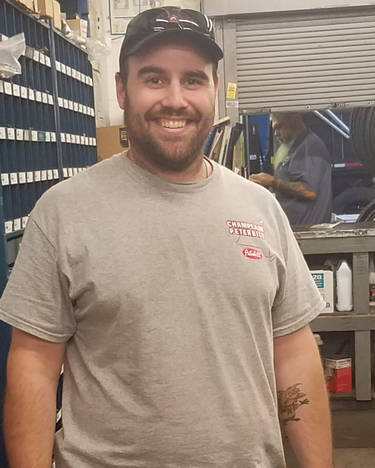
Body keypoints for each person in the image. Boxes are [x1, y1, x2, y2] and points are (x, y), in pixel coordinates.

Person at [0, 6, 332, 468]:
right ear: (122, 89)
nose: (175, 99)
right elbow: (33, 368)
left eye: (193, 80)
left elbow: (294, 352)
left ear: (214, 89)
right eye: (154, 79)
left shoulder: (260, 209)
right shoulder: (63, 213)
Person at [251, 112, 332, 225]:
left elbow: (309, 191)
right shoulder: (292, 147)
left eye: (279, 127)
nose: (276, 133)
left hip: (307, 230)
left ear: (293, 121)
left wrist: (272, 181)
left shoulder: (310, 148)